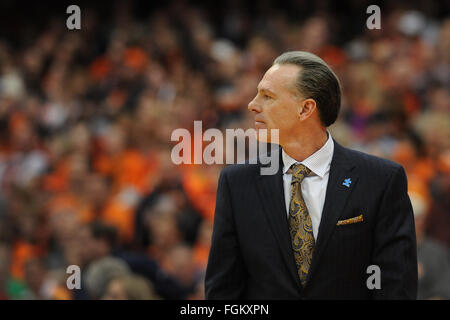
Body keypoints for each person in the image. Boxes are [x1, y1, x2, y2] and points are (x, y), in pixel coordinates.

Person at [205, 51, 418, 299]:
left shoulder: (381, 180)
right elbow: (223, 291)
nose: (253, 104)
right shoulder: (237, 182)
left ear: (306, 108)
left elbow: (396, 286)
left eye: (267, 96)